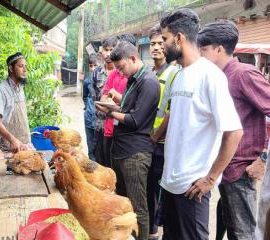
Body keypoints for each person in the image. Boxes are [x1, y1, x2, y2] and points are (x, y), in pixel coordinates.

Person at [159, 9, 243, 240]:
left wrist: (211, 177)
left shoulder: (210, 76)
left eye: (165, 39)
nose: (162, 45)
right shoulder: (179, 74)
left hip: (192, 188)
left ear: (178, 38)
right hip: (170, 182)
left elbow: (234, 132)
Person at [198, 20, 270, 240]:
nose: (200, 55)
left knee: (243, 233)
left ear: (219, 49)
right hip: (224, 169)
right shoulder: (217, 78)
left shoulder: (243, 74)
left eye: (204, 50)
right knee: (230, 228)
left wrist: (263, 159)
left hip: (241, 170)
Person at [97, 41, 160, 240]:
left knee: (138, 207)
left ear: (133, 58)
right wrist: (112, 108)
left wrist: (110, 112)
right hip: (121, 149)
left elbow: (135, 120)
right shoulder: (133, 79)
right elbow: (126, 111)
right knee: (123, 203)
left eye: (121, 67)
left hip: (135, 154)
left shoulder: (148, 81)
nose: (120, 73)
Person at [146, 23, 179, 240]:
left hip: (163, 143)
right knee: (149, 186)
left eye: (160, 43)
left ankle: (158, 231)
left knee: (160, 190)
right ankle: (151, 230)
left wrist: (156, 136)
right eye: (152, 44)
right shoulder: (151, 72)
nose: (156, 48)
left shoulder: (174, 73)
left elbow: (170, 111)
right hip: (149, 140)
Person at [99, 34, 136, 168]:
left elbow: (134, 106)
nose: (115, 51)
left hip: (127, 135)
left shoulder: (137, 77)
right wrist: (109, 103)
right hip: (109, 130)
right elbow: (103, 98)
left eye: (118, 47)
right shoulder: (113, 74)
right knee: (108, 168)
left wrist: (114, 97)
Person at [0, 52, 31, 153]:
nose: (25, 70)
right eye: (21, 66)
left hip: (25, 145)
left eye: (25, 66)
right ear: (11, 68)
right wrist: (12, 140)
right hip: (8, 147)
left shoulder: (21, 88)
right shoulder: (1, 89)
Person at [92, 37, 118, 166]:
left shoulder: (121, 72)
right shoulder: (97, 72)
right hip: (99, 124)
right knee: (99, 160)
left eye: (111, 50)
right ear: (101, 52)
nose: (108, 54)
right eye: (106, 50)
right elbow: (93, 98)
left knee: (112, 163)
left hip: (115, 127)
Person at [83, 54, 99, 160]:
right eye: (90, 65)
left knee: (98, 147)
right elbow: (84, 97)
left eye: (95, 65)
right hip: (89, 119)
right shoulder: (87, 81)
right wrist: (89, 107)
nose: (93, 68)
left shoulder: (103, 80)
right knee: (90, 147)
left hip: (100, 121)